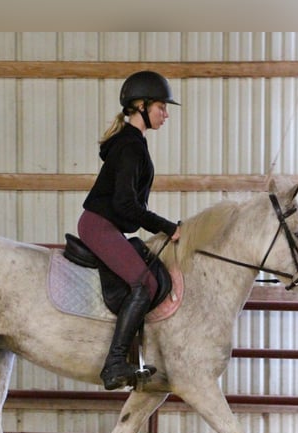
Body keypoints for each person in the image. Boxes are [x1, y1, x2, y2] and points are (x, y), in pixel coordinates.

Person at [78, 70, 182, 391]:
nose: (165, 114)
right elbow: (126, 206)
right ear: (141, 106)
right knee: (145, 283)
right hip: (100, 226)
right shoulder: (130, 146)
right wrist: (167, 228)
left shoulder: (131, 142)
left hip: (106, 226)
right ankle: (114, 364)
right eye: (161, 107)